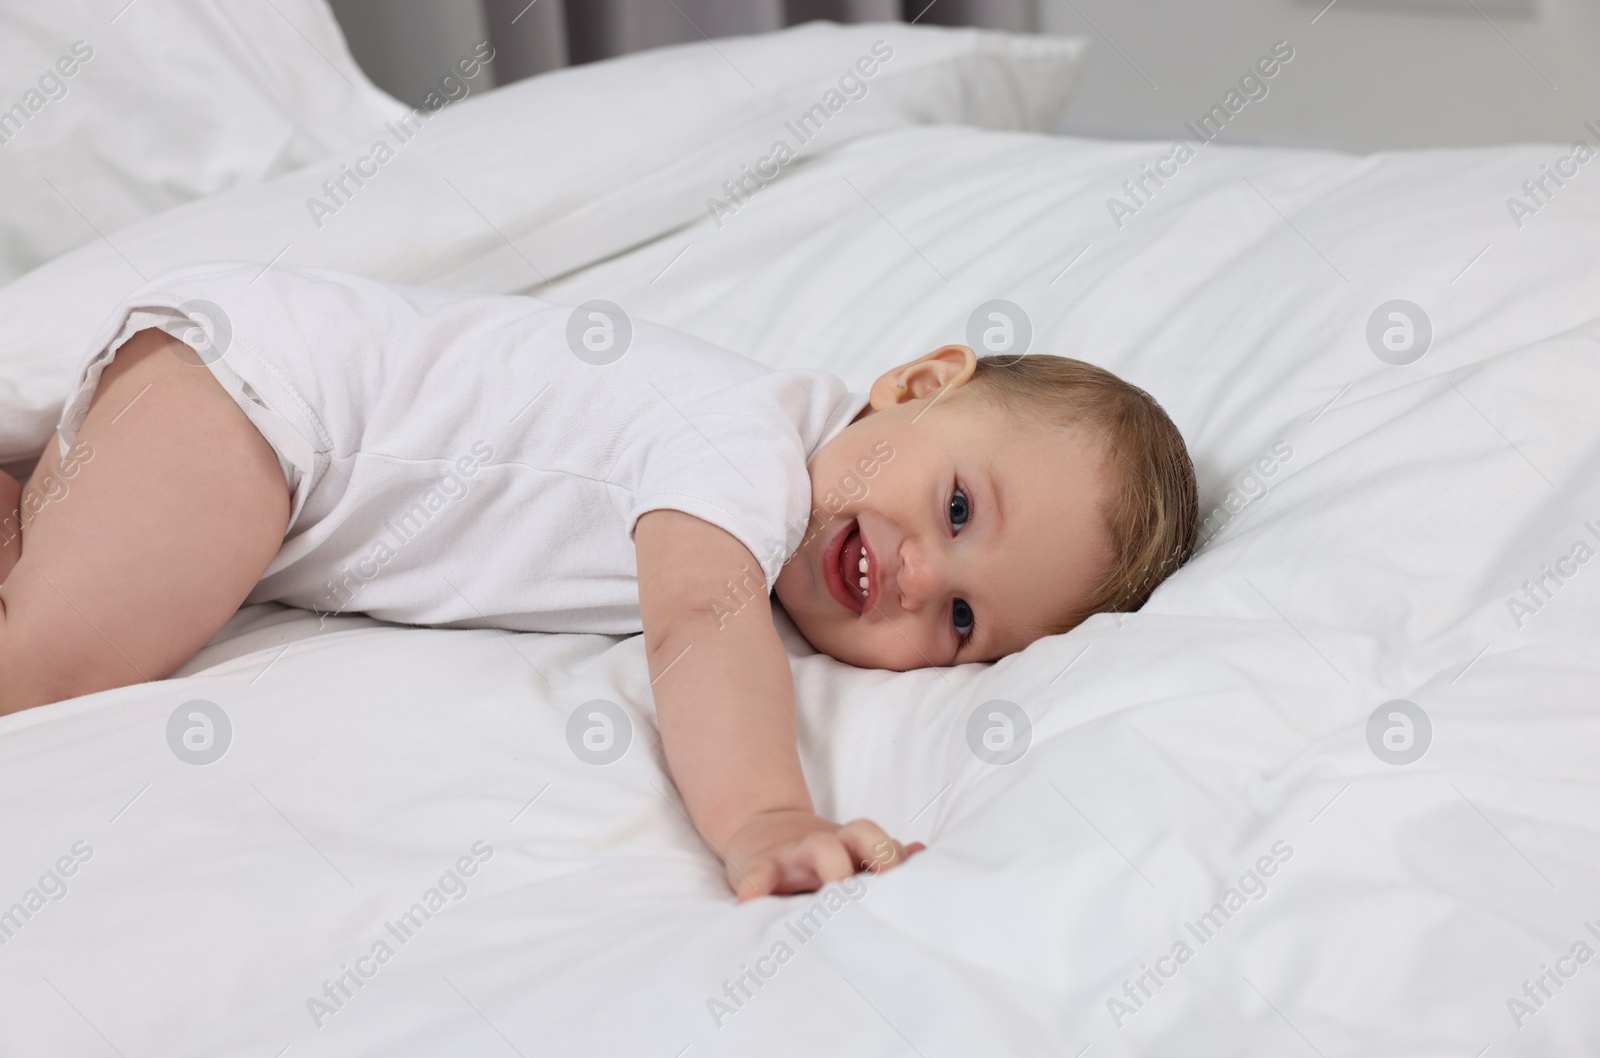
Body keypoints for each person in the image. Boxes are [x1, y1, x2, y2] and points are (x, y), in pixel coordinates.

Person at [0, 262, 1197, 899]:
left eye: (963, 620)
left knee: (56, 555)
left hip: (231, 392)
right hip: (265, 404)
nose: (917, 576)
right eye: (953, 508)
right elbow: (696, 623)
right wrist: (766, 815)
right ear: (918, 382)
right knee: (49, 667)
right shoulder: (743, 449)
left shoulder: (772, 470)